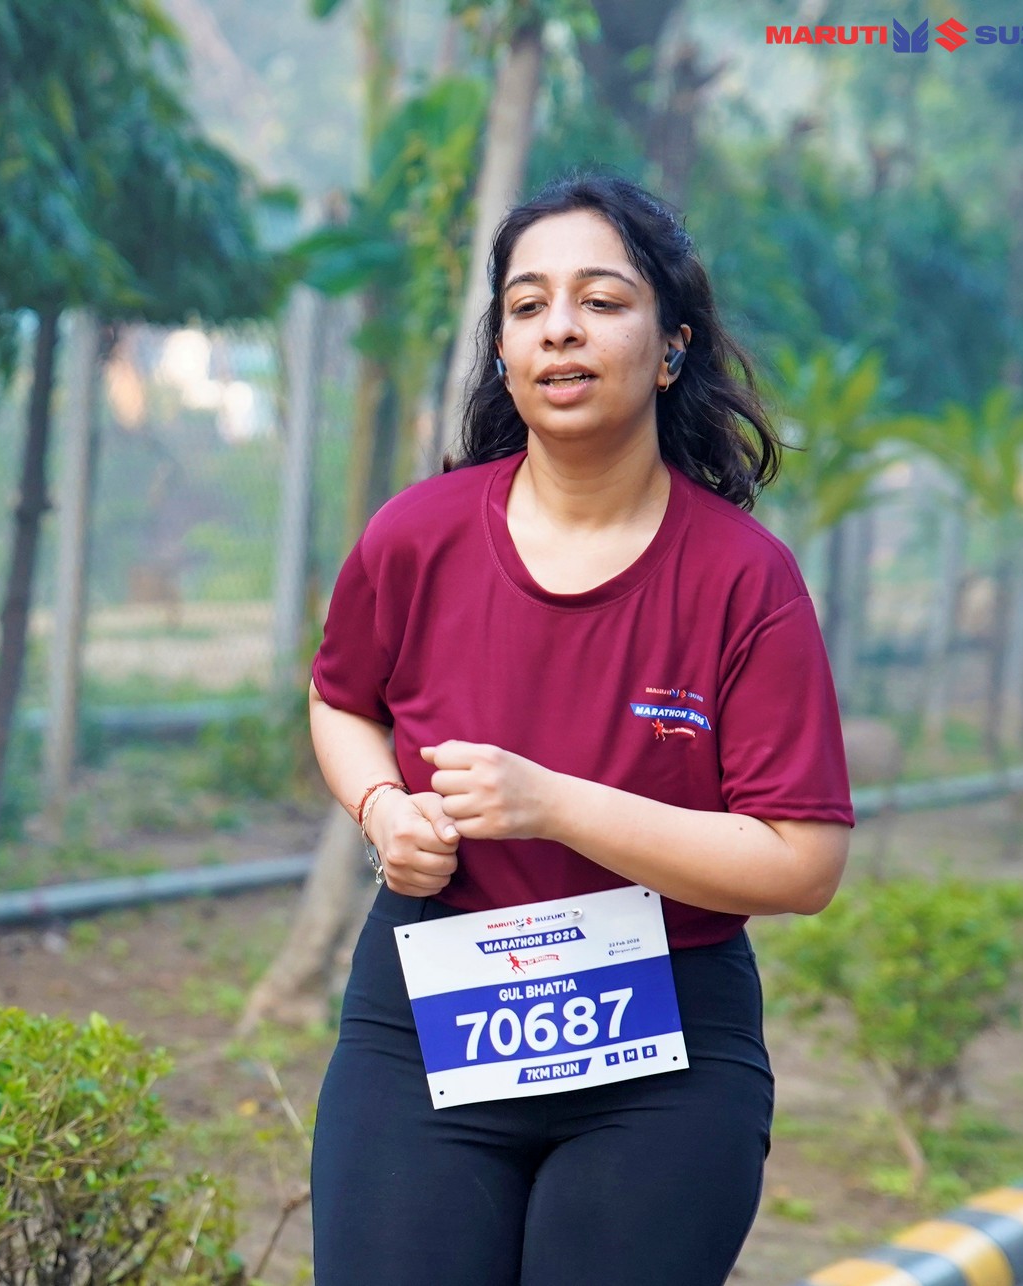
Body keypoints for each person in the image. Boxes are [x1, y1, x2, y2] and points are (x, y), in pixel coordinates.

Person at [307, 172, 855, 1285]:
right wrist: (381, 806)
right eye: (527, 305)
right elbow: (341, 700)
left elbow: (801, 862)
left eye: (601, 300)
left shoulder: (745, 580)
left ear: (671, 349)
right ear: (505, 351)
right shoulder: (414, 536)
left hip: (667, 1046)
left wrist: (552, 803)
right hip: (427, 1014)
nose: (560, 327)